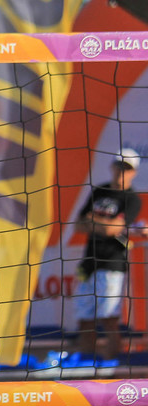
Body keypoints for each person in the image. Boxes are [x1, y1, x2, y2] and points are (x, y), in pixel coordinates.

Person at [75, 149, 145, 361]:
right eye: (119, 167)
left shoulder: (132, 199)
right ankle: (85, 365)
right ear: (112, 167)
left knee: (108, 318)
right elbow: (79, 225)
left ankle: (110, 366)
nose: (121, 173)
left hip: (112, 263)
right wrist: (102, 225)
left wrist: (93, 221)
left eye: (127, 169)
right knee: (84, 318)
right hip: (88, 263)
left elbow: (113, 230)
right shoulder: (99, 190)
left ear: (134, 172)